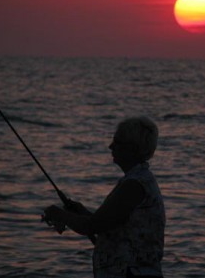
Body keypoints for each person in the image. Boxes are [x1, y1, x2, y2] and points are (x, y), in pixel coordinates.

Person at [43, 116, 165, 278]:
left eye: (117, 142)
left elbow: (92, 226)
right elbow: (110, 226)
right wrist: (81, 212)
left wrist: (59, 214)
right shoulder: (138, 180)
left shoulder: (134, 186)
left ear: (133, 148)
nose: (110, 146)